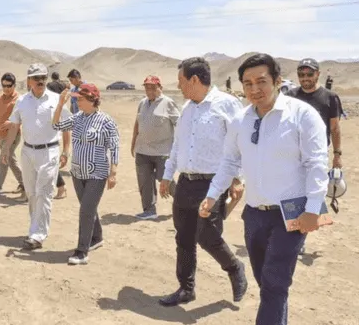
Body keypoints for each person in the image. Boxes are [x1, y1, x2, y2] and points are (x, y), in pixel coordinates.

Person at [199, 53, 329, 325]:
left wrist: (313, 210)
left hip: (291, 213)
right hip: (254, 214)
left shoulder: (302, 115)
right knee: (266, 281)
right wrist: (212, 195)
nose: (254, 89)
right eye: (247, 83)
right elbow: (230, 161)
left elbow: (317, 164)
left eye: (261, 81)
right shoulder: (240, 120)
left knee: (274, 283)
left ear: (278, 81)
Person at [158, 57, 248, 307]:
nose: (179, 86)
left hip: (213, 184)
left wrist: (237, 179)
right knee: (184, 238)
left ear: (194, 79)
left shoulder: (227, 104)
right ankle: (186, 289)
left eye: (181, 81)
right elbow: (178, 145)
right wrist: (167, 175)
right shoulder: (187, 108)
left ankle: (234, 267)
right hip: (185, 183)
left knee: (207, 236)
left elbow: (239, 144)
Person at [2, 63, 72, 250]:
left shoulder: (57, 100)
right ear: (29, 81)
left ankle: (38, 234)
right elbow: (15, 125)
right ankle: (34, 228)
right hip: (27, 152)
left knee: (44, 192)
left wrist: (66, 151)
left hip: (49, 152)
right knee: (32, 193)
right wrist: (6, 149)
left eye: (43, 77)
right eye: (36, 78)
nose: (40, 81)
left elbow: (66, 126)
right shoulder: (22, 101)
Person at [52, 83, 119, 265]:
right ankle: (96, 237)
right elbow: (56, 125)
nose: (78, 102)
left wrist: (113, 172)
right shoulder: (78, 117)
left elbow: (114, 147)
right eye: (77, 99)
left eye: (81, 99)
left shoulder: (106, 121)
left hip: (97, 173)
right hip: (77, 172)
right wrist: (60, 104)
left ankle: (82, 251)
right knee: (88, 208)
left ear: (92, 99)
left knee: (85, 211)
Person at [131, 75, 180, 220]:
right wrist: (133, 142)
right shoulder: (142, 103)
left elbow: (180, 124)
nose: (150, 90)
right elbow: (137, 122)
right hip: (142, 150)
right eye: (147, 87)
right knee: (145, 182)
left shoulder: (168, 103)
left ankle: (183, 204)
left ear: (160, 88)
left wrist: (179, 145)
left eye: (153, 87)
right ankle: (149, 210)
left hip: (162, 151)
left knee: (166, 179)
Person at [286, 58, 342, 168]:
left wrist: (337, 155)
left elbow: (335, 129)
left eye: (309, 74)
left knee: (316, 184)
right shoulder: (290, 96)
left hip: (317, 153)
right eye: (301, 75)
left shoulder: (330, 97)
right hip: (293, 153)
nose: (305, 78)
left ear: (318, 74)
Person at [0, 73, 25, 199]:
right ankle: (24, 183)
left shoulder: (19, 100)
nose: (6, 88)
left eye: (9, 86)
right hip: (0, 136)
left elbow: (23, 118)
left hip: (12, 136)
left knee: (3, 161)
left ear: (14, 85)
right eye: (4, 86)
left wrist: (11, 123)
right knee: (11, 161)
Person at [46, 71, 69, 199]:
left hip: (53, 136)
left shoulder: (50, 86)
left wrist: (66, 151)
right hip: (59, 113)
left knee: (50, 164)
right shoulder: (63, 84)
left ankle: (61, 186)